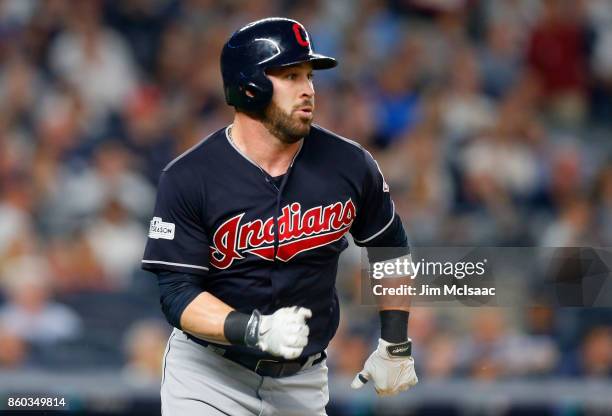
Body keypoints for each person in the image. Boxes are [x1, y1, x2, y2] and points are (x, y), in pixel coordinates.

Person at [142, 17, 418, 416]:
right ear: (248, 87)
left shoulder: (350, 164)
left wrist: (395, 344)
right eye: (290, 76)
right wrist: (253, 329)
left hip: (302, 382)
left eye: (309, 76)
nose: (307, 89)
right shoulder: (190, 177)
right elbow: (177, 295)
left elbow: (391, 250)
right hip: (209, 375)